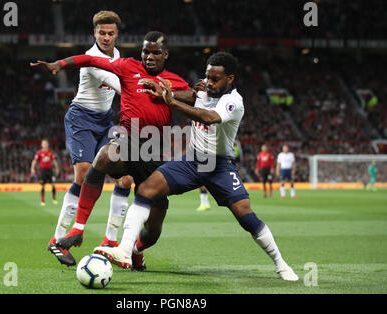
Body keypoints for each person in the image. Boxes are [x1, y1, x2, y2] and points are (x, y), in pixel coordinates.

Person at [94, 52, 298, 281]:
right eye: (207, 76)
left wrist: (172, 101)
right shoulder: (204, 90)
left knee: (245, 215)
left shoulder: (233, 101)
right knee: (145, 189)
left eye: (215, 79)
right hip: (192, 160)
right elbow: (190, 96)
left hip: (220, 165)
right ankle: (126, 250)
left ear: (230, 79)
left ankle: (281, 265)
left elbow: (208, 117)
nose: (209, 82)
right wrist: (166, 94)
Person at [31, 31, 192, 270]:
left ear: (165, 54)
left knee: (153, 230)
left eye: (155, 52)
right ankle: (78, 229)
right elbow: (91, 60)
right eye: (145, 51)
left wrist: (167, 94)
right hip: (127, 140)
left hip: (153, 152)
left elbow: (192, 95)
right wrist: (61, 64)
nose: (149, 56)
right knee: (104, 156)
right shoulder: (127, 67)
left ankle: (137, 250)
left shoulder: (172, 80)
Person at [32, 11, 133, 267]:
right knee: (84, 174)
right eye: (102, 33)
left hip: (105, 121)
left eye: (111, 33)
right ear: (94, 33)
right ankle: (57, 239)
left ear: (117, 34)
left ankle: (110, 242)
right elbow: (121, 86)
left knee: (126, 177)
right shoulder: (92, 59)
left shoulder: (118, 55)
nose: (107, 37)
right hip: (81, 119)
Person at [30, 138, 59, 206]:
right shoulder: (39, 153)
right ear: (41, 145)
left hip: (50, 170)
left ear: (47, 144)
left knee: (53, 185)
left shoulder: (50, 152)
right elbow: (34, 161)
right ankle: (43, 200)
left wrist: (57, 168)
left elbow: (54, 161)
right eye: (43, 143)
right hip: (43, 171)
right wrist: (32, 168)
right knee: (43, 186)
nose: (44, 144)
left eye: (45, 143)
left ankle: (54, 199)